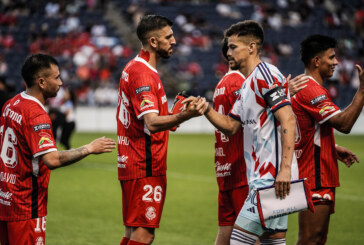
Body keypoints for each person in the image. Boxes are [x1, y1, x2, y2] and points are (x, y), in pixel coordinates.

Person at [191, 20, 299, 245]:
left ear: (251, 47)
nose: (227, 52)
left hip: (272, 179)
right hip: (264, 180)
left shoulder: (266, 74)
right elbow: (231, 126)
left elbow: (287, 118)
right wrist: (206, 109)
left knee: (238, 241)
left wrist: (286, 170)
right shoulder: (247, 84)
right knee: (272, 243)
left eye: (233, 47)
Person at [0, 53, 116, 245]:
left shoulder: (10, 104)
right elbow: (52, 159)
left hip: (5, 200)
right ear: (42, 82)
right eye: (57, 77)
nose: (61, 83)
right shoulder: (37, 114)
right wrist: (88, 148)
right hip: (26, 204)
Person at [116, 14, 207, 245]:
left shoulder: (135, 68)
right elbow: (152, 123)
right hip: (144, 164)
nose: (174, 41)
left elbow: (151, 120)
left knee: (132, 232)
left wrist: (175, 115)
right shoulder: (143, 73)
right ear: (154, 42)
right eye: (168, 37)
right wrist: (185, 115)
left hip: (133, 162)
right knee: (144, 234)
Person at [292, 34, 363, 245]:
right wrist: (362, 92)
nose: (336, 62)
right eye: (331, 57)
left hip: (316, 172)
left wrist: (332, 146)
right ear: (316, 61)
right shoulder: (310, 89)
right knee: (310, 240)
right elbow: (344, 124)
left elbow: (304, 131)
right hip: (314, 176)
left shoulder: (302, 85)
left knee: (317, 240)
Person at [213, 37, 248, 245]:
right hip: (241, 170)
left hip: (225, 168)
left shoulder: (222, 83)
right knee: (253, 237)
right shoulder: (238, 82)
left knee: (225, 235)